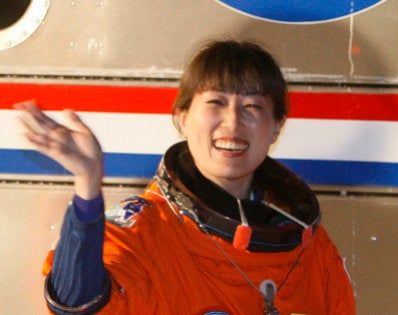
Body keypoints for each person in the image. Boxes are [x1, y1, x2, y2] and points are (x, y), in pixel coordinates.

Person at [15, 39, 356, 314]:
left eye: (252, 106)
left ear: (276, 126)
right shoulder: (144, 230)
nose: (233, 123)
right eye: (216, 102)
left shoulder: (309, 248)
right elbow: (76, 302)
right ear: (183, 116)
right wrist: (88, 188)